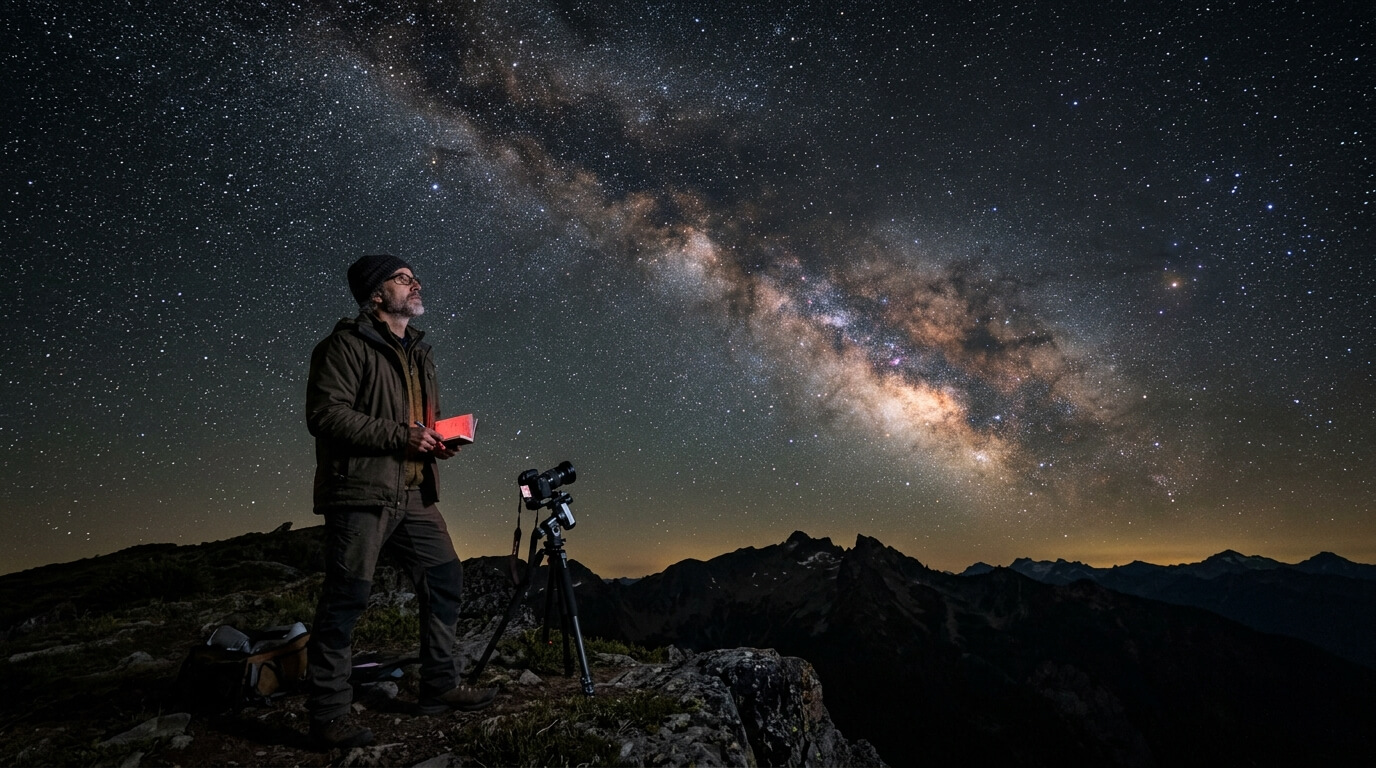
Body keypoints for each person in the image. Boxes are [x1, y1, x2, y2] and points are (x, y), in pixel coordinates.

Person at [303, 253, 496, 749]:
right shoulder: (344, 346)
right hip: (363, 491)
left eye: (414, 278)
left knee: (445, 577)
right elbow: (326, 416)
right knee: (347, 598)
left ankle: (440, 686)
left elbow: (415, 422)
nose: (415, 284)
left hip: (414, 491)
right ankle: (328, 715)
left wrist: (435, 441)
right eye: (402, 279)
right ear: (375, 294)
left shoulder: (419, 353)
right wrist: (400, 437)